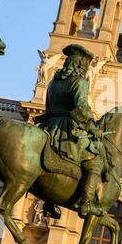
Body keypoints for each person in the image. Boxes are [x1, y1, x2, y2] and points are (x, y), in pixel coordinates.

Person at [34, 44, 110, 217]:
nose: (84, 68)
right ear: (80, 65)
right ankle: (86, 203)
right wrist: (92, 127)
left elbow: (48, 108)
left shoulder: (53, 82)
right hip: (67, 130)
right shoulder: (80, 83)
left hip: (49, 126)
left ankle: (50, 201)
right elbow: (82, 109)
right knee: (95, 161)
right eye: (84, 65)